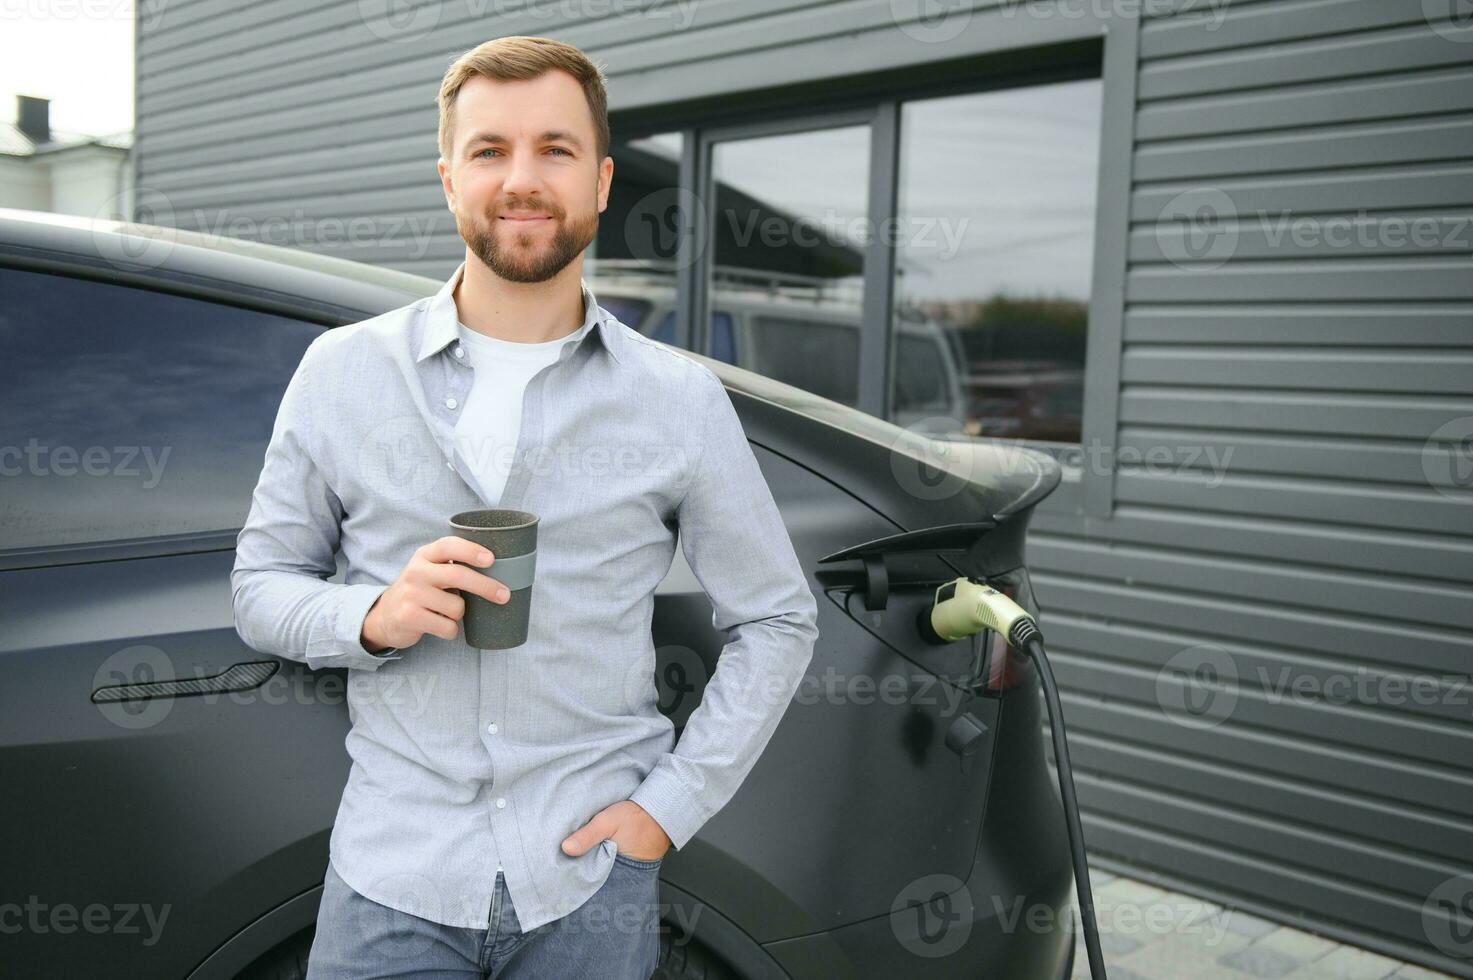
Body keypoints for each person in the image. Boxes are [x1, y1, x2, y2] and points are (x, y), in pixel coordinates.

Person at [230, 34, 820, 979]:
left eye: (555, 148)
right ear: (448, 178)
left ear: (600, 181)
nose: (522, 178)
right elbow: (260, 585)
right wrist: (369, 617)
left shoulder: (677, 399)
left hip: (587, 884)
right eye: (489, 150)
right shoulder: (340, 373)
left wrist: (666, 811)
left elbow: (777, 618)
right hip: (392, 877)